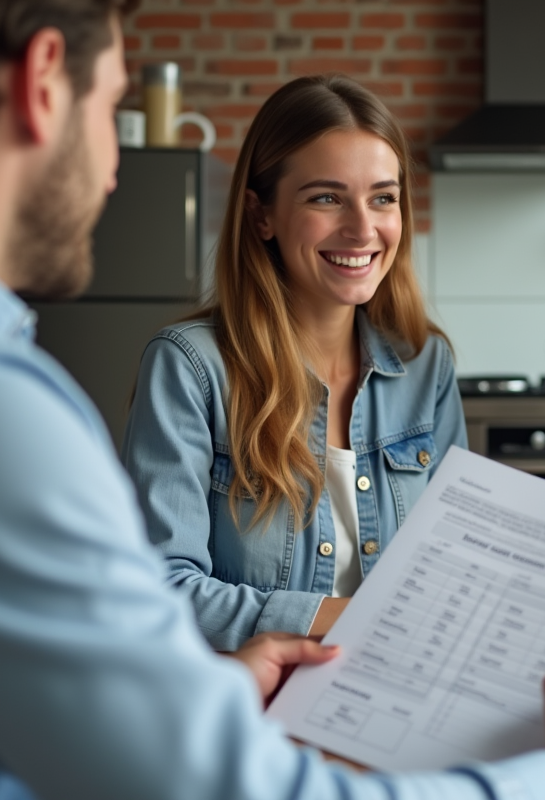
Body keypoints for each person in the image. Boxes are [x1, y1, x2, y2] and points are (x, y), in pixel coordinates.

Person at [0, 3, 545, 799]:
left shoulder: (423, 362)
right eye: (112, 107)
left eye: (384, 197)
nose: (115, 168)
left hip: (378, 707)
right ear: (44, 80)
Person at [120, 75, 460, 650]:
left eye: (383, 197)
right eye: (326, 198)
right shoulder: (189, 367)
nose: (362, 228)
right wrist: (351, 619)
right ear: (261, 215)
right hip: (251, 702)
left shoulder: (426, 363)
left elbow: (457, 564)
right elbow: (161, 589)